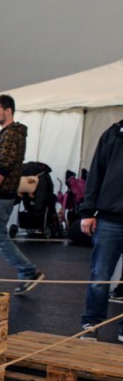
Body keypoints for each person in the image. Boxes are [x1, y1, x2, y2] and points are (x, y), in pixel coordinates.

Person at [0, 94, 44, 294]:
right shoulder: (9, 134)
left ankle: (29, 271)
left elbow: (4, 168)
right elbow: (4, 164)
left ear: (8, 111)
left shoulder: (11, 135)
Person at [78, 119, 123, 339]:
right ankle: (92, 322)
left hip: (110, 217)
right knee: (100, 275)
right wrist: (87, 211)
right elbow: (95, 173)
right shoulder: (112, 134)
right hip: (109, 218)